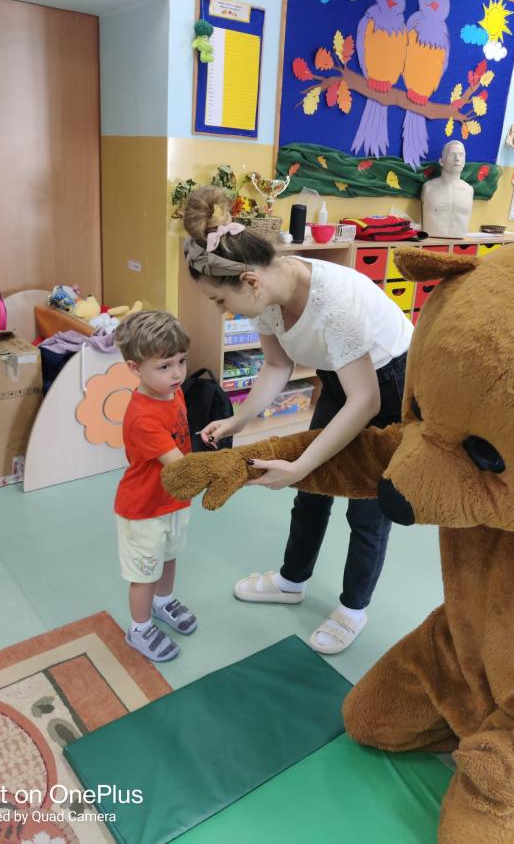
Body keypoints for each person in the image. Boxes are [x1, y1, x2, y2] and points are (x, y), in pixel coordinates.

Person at [182, 186, 413, 655]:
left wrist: (303, 462)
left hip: (389, 381)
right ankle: (292, 580)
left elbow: (365, 401)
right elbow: (276, 366)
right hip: (342, 376)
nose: (222, 311)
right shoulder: (268, 293)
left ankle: (353, 608)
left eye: (219, 301)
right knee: (309, 490)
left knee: (366, 504)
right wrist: (238, 421)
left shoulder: (334, 305)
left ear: (249, 281)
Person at [114, 311, 197, 662]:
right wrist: (224, 468)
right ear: (134, 368)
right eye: (164, 366)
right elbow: (179, 464)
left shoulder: (172, 393)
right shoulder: (142, 416)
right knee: (144, 573)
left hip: (173, 500)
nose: (177, 373)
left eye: (181, 361)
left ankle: (164, 602)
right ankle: (140, 628)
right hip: (144, 509)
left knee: (169, 556)